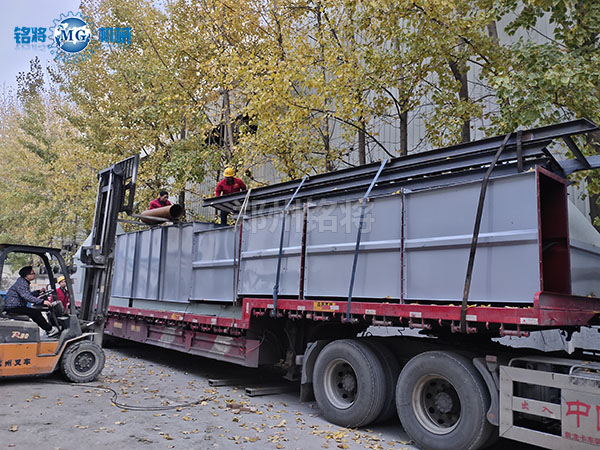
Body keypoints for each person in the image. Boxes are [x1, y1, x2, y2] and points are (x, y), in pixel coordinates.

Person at [4, 266, 59, 337]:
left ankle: (48, 329)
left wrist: (38, 292)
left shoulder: (23, 282)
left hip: (16, 306)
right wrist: (42, 301)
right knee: (35, 313)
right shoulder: (21, 283)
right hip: (13, 307)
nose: (34, 275)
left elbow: (28, 295)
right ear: (27, 275)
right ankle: (50, 330)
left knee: (35, 312)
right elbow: (26, 296)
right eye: (32, 273)